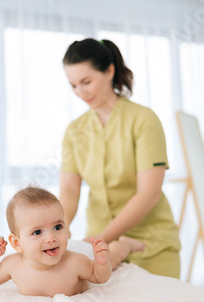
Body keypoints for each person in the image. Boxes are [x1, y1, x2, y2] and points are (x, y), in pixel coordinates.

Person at [59, 38, 181, 278]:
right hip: (99, 249)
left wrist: (97, 240)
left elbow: (148, 194)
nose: (80, 93)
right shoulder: (75, 131)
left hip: (151, 243)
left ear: (109, 71)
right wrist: (56, 231)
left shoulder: (144, 120)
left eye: (86, 82)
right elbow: (69, 192)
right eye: (73, 85)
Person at [0, 186, 145, 297]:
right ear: (17, 243)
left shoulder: (75, 262)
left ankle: (125, 244)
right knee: (83, 243)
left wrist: (102, 262)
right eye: (37, 232)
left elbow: (99, 277)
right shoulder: (13, 265)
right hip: (71, 246)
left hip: (76, 249)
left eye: (58, 227)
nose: (51, 237)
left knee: (112, 256)